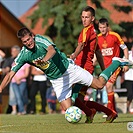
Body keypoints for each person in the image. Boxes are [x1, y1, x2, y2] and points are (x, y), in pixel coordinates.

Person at [0, 27, 132, 123]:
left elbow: (51, 50)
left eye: (29, 39)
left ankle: (116, 62)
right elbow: (10, 74)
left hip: (69, 69)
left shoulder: (40, 40)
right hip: (56, 80)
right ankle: (90, 112)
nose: (28, 43)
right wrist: (0, 89)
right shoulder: (24, 54)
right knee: (69, 109)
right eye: (25, 42)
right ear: (22, 43)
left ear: (32, 36)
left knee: (99, 85)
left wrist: (44, 60)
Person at [70, 6, 116, 123]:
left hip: (83, 68)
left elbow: (80, 45)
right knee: (79, 99)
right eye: (83, 17)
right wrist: (104, 69)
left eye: (87, 17)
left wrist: (73, 56)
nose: (84, 19)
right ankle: (106, 113)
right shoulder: (94, 32)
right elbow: (98, 53)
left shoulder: (87, 30)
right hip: (85, 67)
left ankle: (92, 112)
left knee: (73, 97)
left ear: (92, 18)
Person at [97, 18, 129, 113]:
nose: (102, 29)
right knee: (106, 87)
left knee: (109, 85)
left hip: (115, 65)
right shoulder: (97, 38)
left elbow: (125, 48)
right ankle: (113, 111)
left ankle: (109, 111)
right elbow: (97, 53)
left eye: (104, 27)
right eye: (100, 27)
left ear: (108, 27)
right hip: (105, 68)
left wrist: (126, 63)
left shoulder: (114, 36)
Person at [1, 45, 21, 114]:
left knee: (21, 96)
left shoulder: (22, 59)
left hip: (22, 80)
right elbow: (5, 70)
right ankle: (13, 110)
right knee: (13, 96)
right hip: (12, 80)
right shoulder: (9, 60)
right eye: (12, 51)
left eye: (14, 51)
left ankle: (22, 110)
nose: (12, 52)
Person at [124, 45, 133, 113]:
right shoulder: (127, 54)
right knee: (130, 93)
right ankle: (127, 107)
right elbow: (121, 62)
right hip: (128, 78)